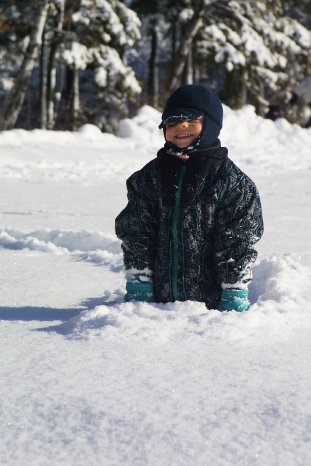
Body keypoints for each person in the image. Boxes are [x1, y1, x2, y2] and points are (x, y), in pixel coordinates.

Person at [115, 84, 264, 311]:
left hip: (211, 311)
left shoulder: (232, 182)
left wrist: (234, 291)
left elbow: (238, 243)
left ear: (211, 125)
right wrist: (139, 284)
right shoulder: (149, 178)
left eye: (190, 120)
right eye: (172, 122)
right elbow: (137, 232)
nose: (180, 127)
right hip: (158, 309)